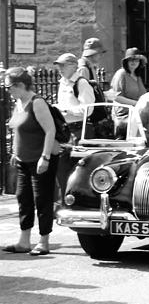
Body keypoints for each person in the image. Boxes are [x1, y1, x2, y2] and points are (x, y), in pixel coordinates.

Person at [2, 68, 61, 256]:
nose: (7, 90)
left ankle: (44, 241)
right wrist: (14, 152)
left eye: (9, 86)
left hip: (40, 159)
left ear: (20, 85)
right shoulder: (18, 103)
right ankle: (24, 241)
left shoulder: (37, 103)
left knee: (42, 199)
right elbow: (19, 129)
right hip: (23, 160)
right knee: (23, 198)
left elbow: (50, 131)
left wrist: (45, 157)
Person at [54, 52, 96, 196]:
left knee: (78, 168)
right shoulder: (63, 82)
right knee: (62, 167)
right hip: (66, 131)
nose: (60, 68)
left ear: (73, 66)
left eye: (63, 65)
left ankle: (76, 200)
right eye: (59, 65)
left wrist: (65, 110)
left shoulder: (82, 83)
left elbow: (88, 109)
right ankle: (65, 200)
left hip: (80, 131)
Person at [109, 48, 147, 139]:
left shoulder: (137, 77)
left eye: (136, 60)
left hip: (137, 113)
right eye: (131, 59)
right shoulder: (121, 74)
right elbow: (116, 97)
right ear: (126, 62)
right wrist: (136, 104)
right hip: (124, 115)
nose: (133, 62)